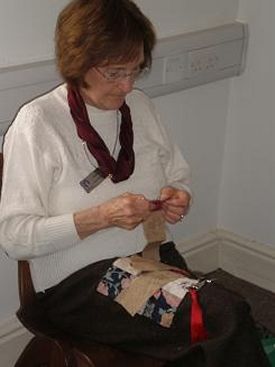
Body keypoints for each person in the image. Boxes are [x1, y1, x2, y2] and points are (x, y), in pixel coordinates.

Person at [0, 1, 270, 366]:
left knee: (211, 325)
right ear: (79, 62)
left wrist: (179, 195)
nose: (127, 85)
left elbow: (178, 174)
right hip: (80, 286)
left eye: (135, 70)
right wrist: (100, 216)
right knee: (222, 317)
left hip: (151, 263)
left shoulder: (140, 107)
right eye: (114, 72)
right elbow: (15, 236)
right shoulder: (37, 124)